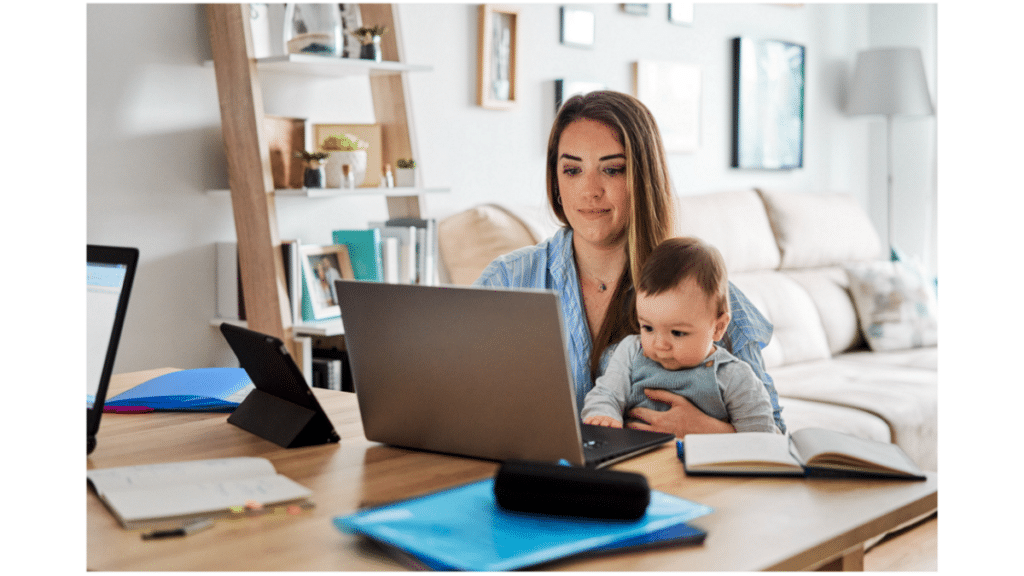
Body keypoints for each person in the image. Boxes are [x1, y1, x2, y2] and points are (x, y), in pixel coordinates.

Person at [474, 90, 785, 436]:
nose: (590, 190)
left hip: (663, 487)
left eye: (612, 169)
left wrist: (712, 433)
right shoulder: (506, 281)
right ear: (556, 182)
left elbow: (775, 438)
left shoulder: (705, 293)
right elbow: (462, 402)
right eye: (572, 170)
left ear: (642, 179)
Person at [581, 237, 777, 433]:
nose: (659, 344)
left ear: (718, 328)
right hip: (637, 461)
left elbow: (763, 439)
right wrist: (604, 416)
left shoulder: (735, 377)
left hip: (697, 463)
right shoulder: (632, 351)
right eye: (648, 328)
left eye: (677, 333)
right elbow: (606, 395)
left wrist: (710, 432)